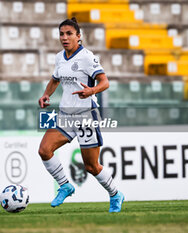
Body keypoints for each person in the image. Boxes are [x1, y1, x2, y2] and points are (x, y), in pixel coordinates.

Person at [38, 17, 124, 213]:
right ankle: (65, 185)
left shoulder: (87, 57)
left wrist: (91, 91)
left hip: (86, 115)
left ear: (79, 36)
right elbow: (54, 80)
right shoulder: (60, 57)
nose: (64, 37)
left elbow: (105, 82)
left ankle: (115, 194)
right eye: (61, 34)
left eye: (69, 34)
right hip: (65, 115)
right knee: (44, 150)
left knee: (92, 167)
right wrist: (45, 95)